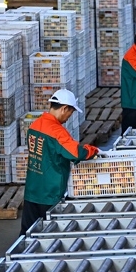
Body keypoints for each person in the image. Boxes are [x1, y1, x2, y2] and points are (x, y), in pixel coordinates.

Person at [21, 89, 99, 236]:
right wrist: (93, 150)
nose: (69, 117)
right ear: (64, 109)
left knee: (28, 233)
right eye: (71, 112)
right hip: (50, 191)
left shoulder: (35, 125)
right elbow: (76, 153)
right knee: (49, 233)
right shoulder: (57, 131)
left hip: (32, 189)